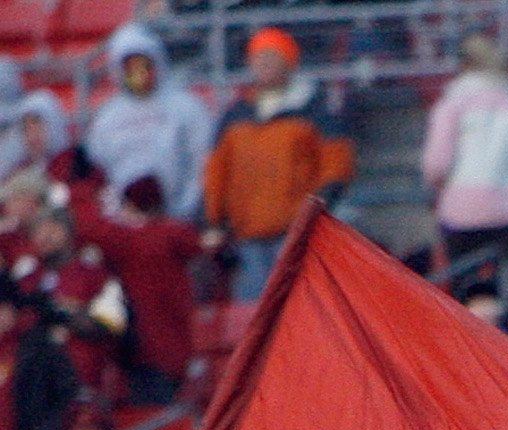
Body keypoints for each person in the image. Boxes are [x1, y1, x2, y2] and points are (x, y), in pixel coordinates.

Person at [200, 31, 354, 300]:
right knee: (254, 309)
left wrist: (316, 209)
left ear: (289, 62)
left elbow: (336, 164)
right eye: (259, 57)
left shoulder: (314, 110)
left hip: (296, 232)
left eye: (272, 57)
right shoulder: (236, 114)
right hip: (246, 232)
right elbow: (216, 171)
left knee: (299, 304)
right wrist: (213, 218)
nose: (264, 64)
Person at [424, 31, 508, 318]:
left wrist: (440, 187)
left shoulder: (452, 102)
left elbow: (436, 164)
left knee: (465, 289)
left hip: (463, 210)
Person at [81, 29, 209, 228]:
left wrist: (184, 210)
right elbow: (98, 171)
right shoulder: (107, 117)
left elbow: (201, 161)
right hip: (125, 222)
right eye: (131, 68)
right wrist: (118, 214)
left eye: (144, 66)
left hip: (178, 218)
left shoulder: (186, 106)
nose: (139, 74)